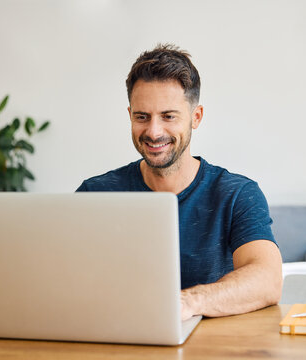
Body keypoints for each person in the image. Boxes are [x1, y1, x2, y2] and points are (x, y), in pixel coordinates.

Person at [77, 44, 282, 320]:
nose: (153, 131)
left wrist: (187, 303)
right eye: (142, 117)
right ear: (129, 116)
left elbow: (267, 279)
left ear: (195, 117)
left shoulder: (237, 194)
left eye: (168, 116)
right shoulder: (95, 194)